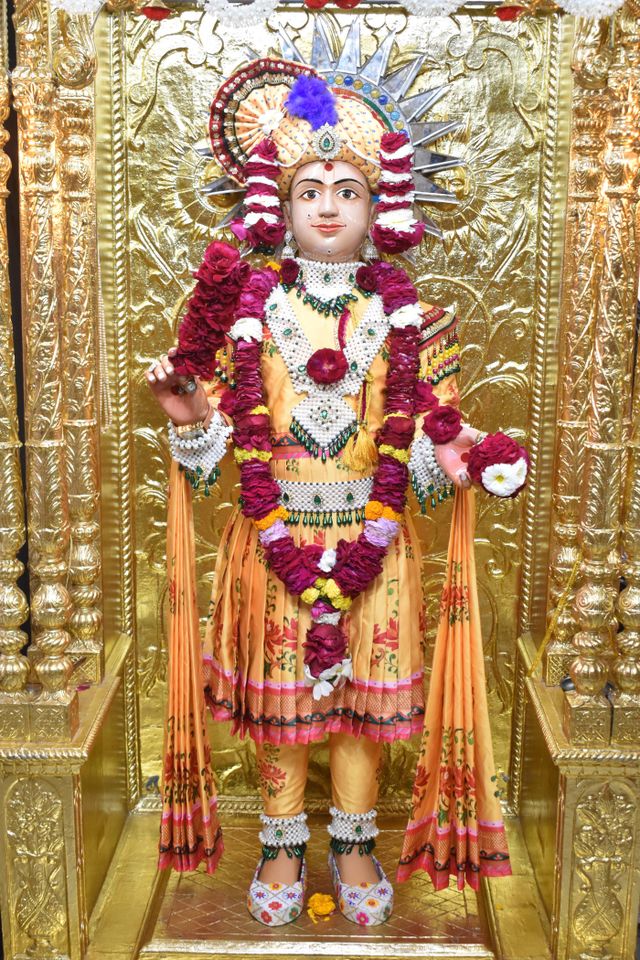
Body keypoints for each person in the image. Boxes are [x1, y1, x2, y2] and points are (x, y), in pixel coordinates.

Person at [147, 58, 518, 928]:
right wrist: (190, 417)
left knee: (359, 708)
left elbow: (427, 453)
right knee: (283, 705)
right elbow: (207, 469)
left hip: (374, 543)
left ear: (379, 206)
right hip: (271, 536)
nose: (326, 206)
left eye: (347, 189)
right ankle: (281, 842)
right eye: (307, 189)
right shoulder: (246, 316)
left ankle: (353, 842)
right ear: (276, 205)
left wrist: (463, 459)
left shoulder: (416, 321)